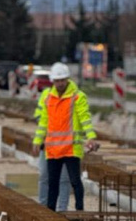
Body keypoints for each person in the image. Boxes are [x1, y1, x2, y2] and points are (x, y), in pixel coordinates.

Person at [31, 62, 98, 212]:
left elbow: (84, 118)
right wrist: (37, 140)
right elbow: (43, 122)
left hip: (71, 148)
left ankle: (79, 211)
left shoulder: (77, 97)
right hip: (53, 148)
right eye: (57, 80)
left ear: (67, 79)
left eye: (62, 80)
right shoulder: (48, 97)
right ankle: (50, 212)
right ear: (53, 81)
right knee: (52, 182)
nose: (60, 83)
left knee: (74, 181)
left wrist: (91, 136)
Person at [33, 85, 70, 211]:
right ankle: (43, 207)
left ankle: (62, 209)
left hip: (66, 145)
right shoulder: (47, 95)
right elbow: (39, 117)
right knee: (44, 175)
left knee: (64, 178)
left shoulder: (73, 96)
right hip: (49, 144)